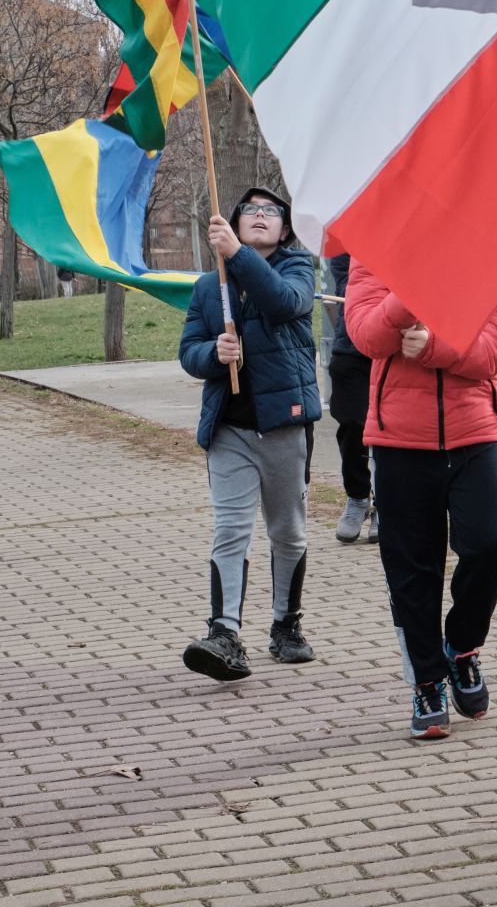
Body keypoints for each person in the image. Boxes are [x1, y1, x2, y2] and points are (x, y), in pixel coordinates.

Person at [344, 259, 497, 740]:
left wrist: (435, 348)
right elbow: (367, 336)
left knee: (488, 545)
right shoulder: (374, 251)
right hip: (399, 440)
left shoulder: (494, 255)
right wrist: (411, 295)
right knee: (412, 568)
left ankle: (462, 647)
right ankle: (426, 682)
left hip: (476, 433)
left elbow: (494, 353)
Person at [176, 187, 322, 681]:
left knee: (287, 531)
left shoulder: (298, 269)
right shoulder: (206, 287)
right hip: (229, 431)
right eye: (250, 211)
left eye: (271, 212)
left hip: (283, 425)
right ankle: (224, 633)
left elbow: (283, 304)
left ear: (284, 228)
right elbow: (189, 351)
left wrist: (237, 257)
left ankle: (286, 626)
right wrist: (212, 355)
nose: (260, 216)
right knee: (231, 530)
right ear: (234, 222)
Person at [322, 254, 378, 544]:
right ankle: (357, 498)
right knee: (351, 427)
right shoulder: (351, 223)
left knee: (388, 430)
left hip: (397, 344)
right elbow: (345, 276)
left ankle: (385, 502)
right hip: (352, 342)